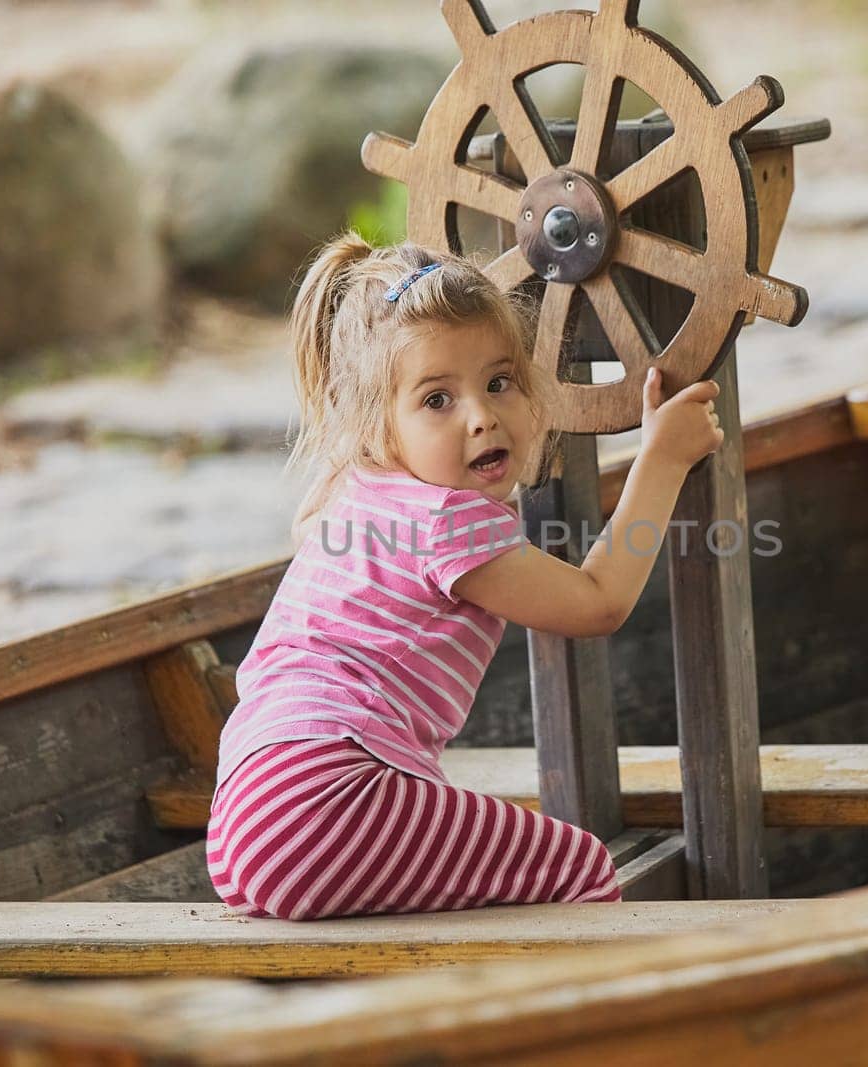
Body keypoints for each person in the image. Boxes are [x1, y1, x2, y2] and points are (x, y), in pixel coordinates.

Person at [206, 233, 723, 920]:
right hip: (323, 800)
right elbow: (599, 602)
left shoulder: (348, 490)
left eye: (499, 382)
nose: (482, 416)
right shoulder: (447, 521)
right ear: (378, 424)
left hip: (245, 816)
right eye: (437, 400)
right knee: (579, 866)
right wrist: (663, 457)